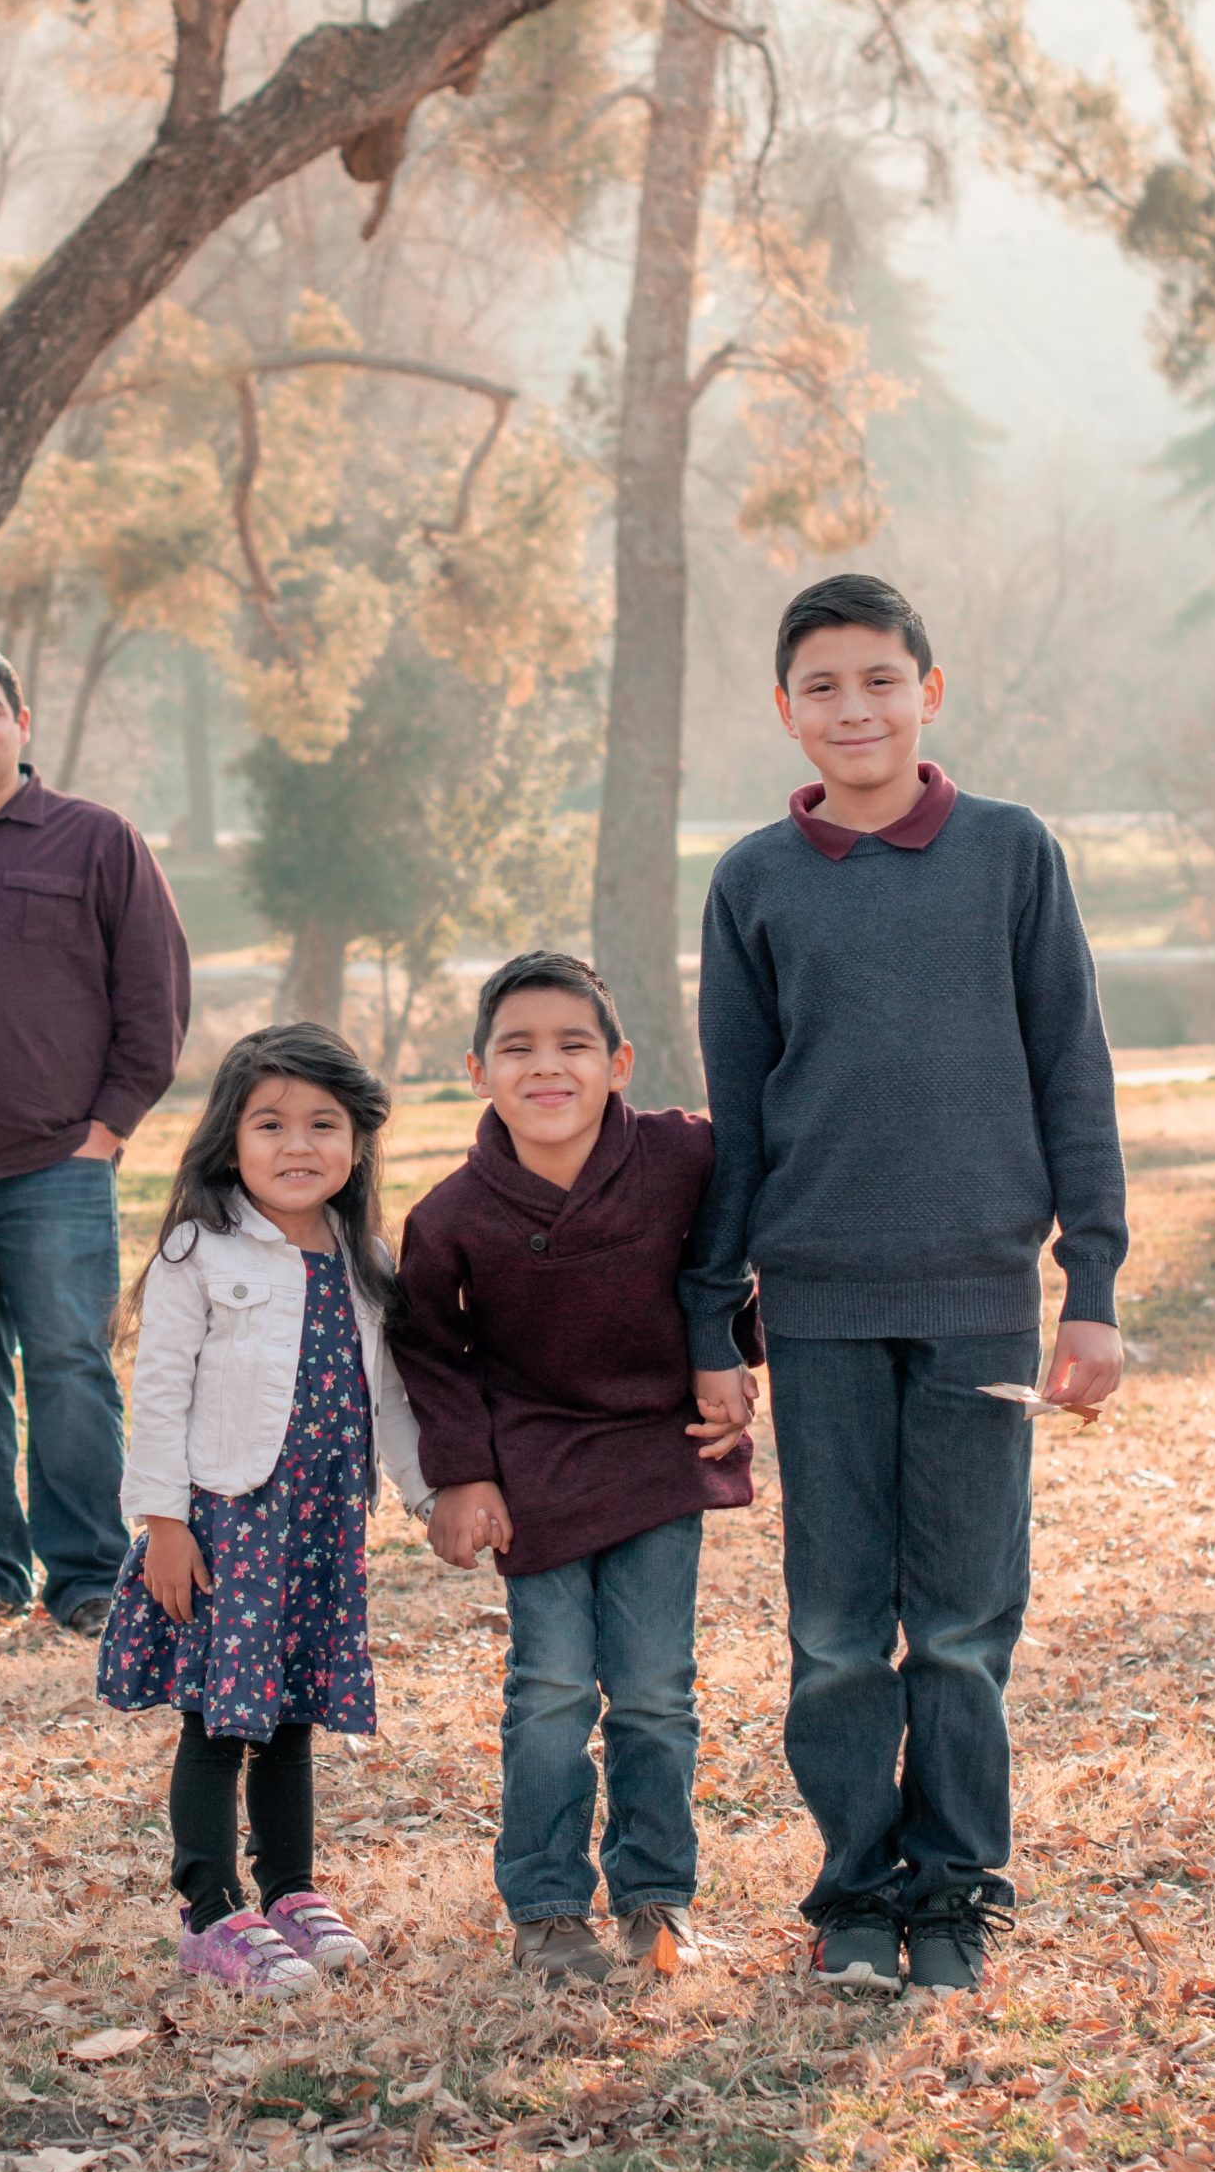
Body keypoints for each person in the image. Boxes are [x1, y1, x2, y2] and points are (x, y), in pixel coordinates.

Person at [681, 573, 1127, 1998]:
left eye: (878, 679)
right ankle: (854, 1892)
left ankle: (955, 1890)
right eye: (821, 686)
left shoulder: (1007, 853)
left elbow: (1072, 1069)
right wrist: (711, 1315)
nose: (852, 708)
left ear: (925, 692)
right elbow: (736, 1119)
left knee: (956, 1620)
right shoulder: (752, 880)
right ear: (784, 712)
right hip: (812, 1299)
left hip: (979, 1296)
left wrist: (1092, 1283)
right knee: (830, 1625)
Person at [389, 951, 759, 1989]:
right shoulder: (454, 1213)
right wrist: (460, 1474)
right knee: (549, 1689)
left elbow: (730, 1257)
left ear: (620, 1062)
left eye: (572, 1046)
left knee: (653, 1690)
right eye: (518, 1048)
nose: (545, 1068)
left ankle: (656, 1898)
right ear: (477, 1071)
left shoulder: (686, 1155)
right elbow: (428, 1348)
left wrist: (735, 1352)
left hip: (655, 1454)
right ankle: (548, 1906)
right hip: (533, 1467)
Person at [97, 1024, 431, 1995]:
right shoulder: (200, 1252)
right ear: (230, 1140)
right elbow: (158, 1391)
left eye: (323, 1124)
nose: (298, 1145)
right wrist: (162, 1521)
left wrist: (428, 1495)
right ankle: (210, 1912)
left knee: (292, 1716)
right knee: (219, 1720)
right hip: (228, 1528)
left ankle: (289, 1887)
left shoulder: (363, 1255)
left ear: (358, 1141)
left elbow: (391, 1398)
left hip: (321, 1530)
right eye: (272, 1123)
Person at [0, 648, 191, 1635]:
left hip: (55, 1164)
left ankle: (91, 1576)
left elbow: (156, 996)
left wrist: (105, 1131)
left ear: (23, 722)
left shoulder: (97, 840)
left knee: (69, 1365)